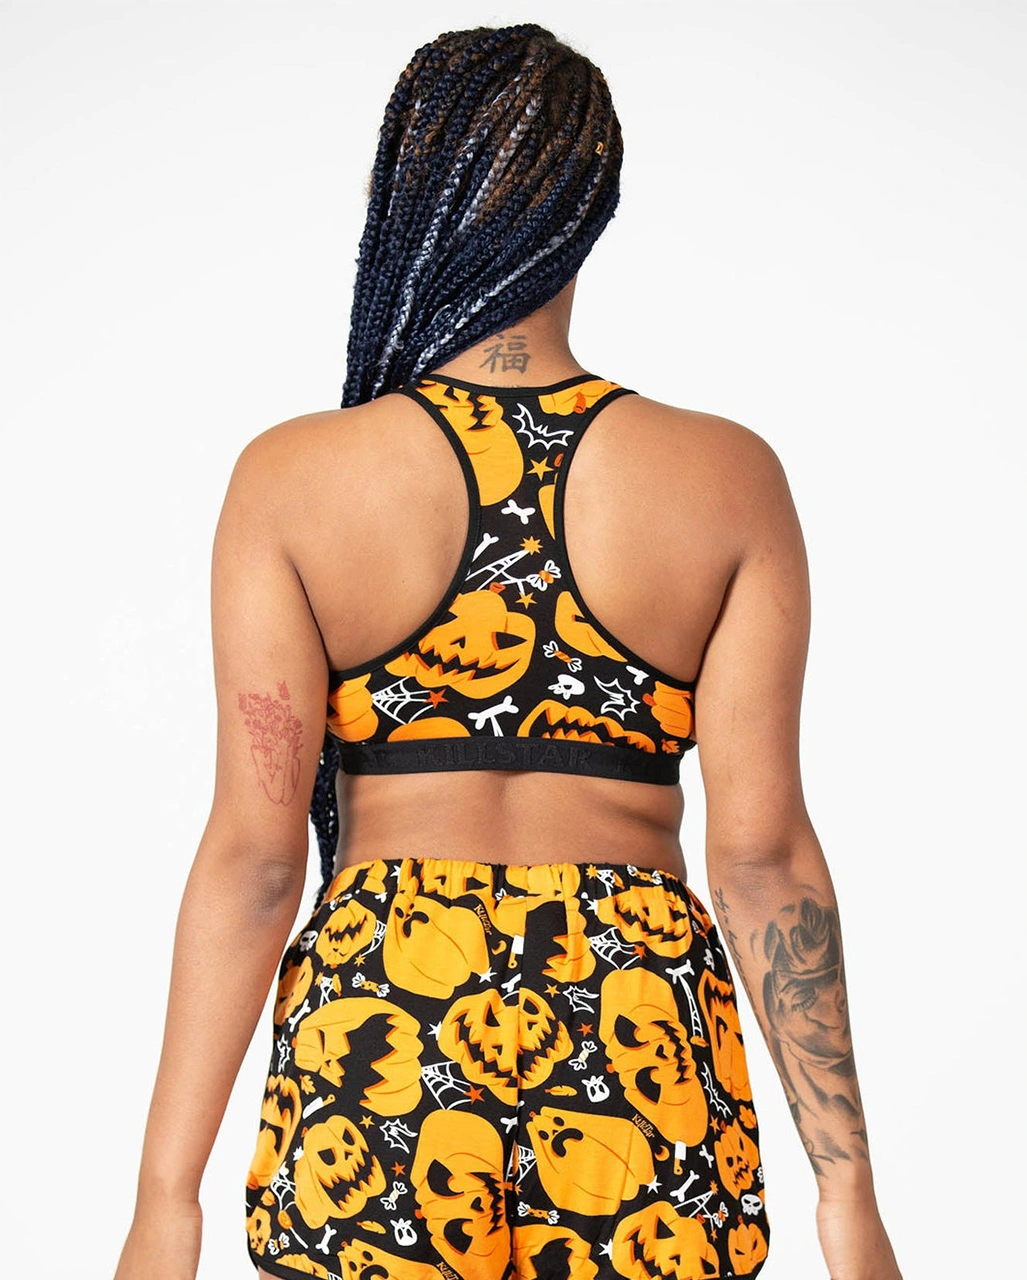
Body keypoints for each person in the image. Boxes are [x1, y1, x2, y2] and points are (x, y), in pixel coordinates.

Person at [114, 23, 902, 1280]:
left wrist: (167, 1197)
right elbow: (760, 858)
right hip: (635, 1013)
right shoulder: (726, 478)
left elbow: (256, 862)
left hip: (384, 1014)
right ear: (592, 207)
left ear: (406, 197)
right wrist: (847, 1192)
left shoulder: (295, 479)